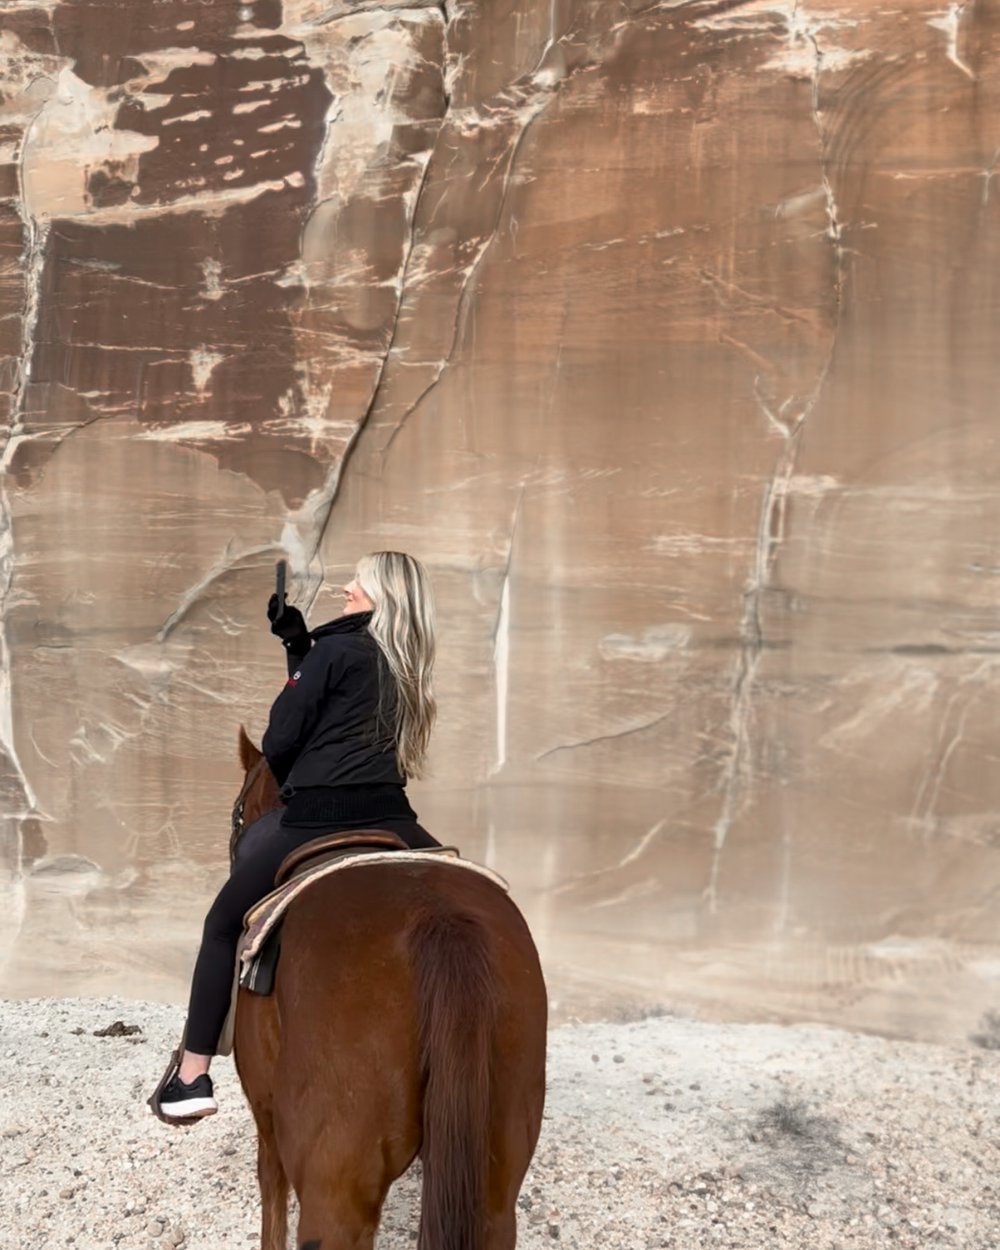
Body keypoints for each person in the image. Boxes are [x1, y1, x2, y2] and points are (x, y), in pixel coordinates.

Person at [158, 551, 439, 1121]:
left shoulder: (337, 650)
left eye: (356, 581)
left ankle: (192, 1075)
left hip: (317, 817)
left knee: (219, 927)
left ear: (379, 592)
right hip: (394, 818)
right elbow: (342, 699)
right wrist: (297, 644)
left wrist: (300, 668)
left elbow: (282, 738)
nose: (345, 588)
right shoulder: (405, 660)